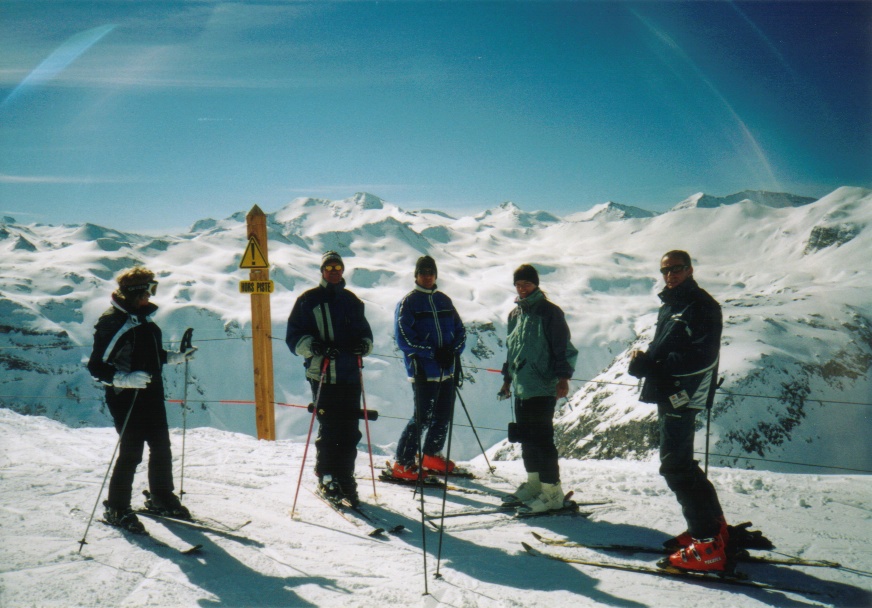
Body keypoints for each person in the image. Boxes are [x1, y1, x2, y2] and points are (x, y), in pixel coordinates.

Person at [628, 250, 728, 573]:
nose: (670, 274)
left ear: (690, 269)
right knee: (682, 464)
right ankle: (715, 532)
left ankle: (707, 545)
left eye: (676, 269)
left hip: (684, 391)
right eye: (665, 270)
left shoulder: (700, 306)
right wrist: (646, 362)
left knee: (674, 466)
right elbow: (669, 346)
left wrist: (652, 367)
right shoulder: (673, 304)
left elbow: (701, 356)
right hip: (671, 389)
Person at [87, 267, 197, 533]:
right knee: (131, 451)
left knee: (161, 446)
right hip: (125, 397)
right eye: (147, 291)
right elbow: (96, 366)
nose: (150, 296)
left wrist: (176, 357)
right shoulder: (114, 323)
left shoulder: (142, 319)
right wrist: (124, 379)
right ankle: (117, 507)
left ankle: (161, 496)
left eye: (152, 289)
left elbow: (151, 354)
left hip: (150, 392)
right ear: (133, 293)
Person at [286, 251, 373, 506]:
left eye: (338, 267)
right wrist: (316, 347)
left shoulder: (352, 301)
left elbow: (365, 333)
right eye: (329, 267)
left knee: (349, 430)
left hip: (350, 374)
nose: (334, 271)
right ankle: (326, 475)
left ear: (342, 270)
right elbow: (293, 338)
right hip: (323, 373)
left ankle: (345, 476)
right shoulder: (308, 300)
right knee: (330, 426)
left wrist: (363, 345)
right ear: (322, 271)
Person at [498, 264, 578, 513]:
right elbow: (512, 351)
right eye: (518, 284)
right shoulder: (515, 315)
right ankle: (535, 485)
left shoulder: (549, 312)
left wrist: (563, 378)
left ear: (536, 284)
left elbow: (562, 347)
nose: (522, 288)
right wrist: (507, 379)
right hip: (521, 385)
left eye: (527, 284)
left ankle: (552, 492)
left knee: (542, 440)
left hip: (543, 385)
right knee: (527, 438)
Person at [389, 256, 466, 480]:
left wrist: (452, 352)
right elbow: (404, 339)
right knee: (422, 417)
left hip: (446, 370)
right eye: (423, 272)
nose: (427, 276)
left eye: (431, 272)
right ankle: (402, 463)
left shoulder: (444, 300)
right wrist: (433, 353)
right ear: (416, 275)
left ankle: (431, 455)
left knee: (443, 414)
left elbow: (460, 331)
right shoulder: (408, 303)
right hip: (423, 371)